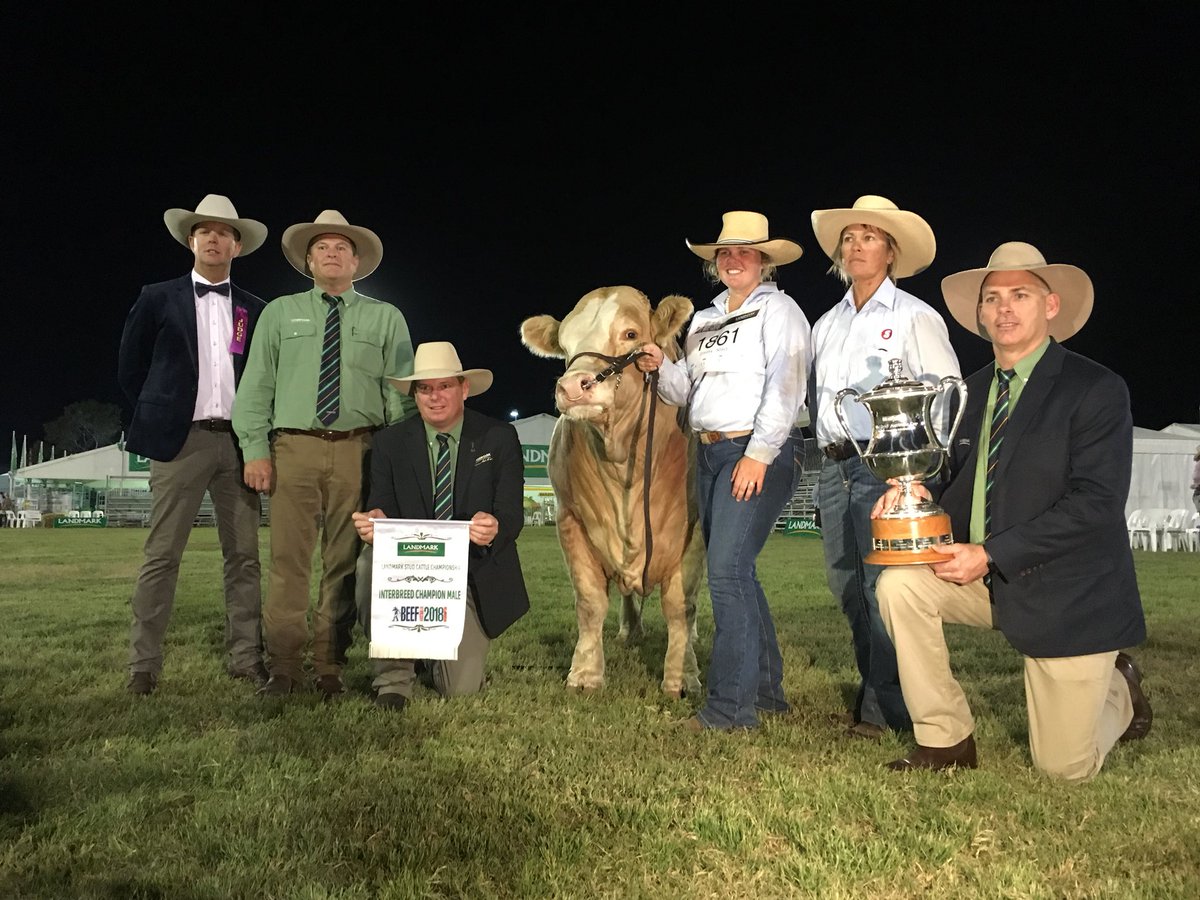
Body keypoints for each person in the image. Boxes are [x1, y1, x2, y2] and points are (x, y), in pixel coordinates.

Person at [872, 241, 1151, 780]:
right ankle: (945, 740)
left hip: (1068, 595)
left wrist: (990, 553)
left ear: (1050, 307)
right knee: (900, 586)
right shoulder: (971, 393)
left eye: (1020, 294)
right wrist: (920, 496)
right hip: (992, 581)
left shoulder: (1095, 389)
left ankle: (1121, 691)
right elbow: (963, 485)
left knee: (1063, 770)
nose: (1004, 308)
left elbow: (1096, 502)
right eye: (993, 297)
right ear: (980, 313)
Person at [636, 210, 811, 731]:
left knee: (728, 573)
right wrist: (658, 366)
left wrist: (759, 454)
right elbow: (687, 393)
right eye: (725, 253)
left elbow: (787, 383)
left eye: (744, 252)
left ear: (764, 261)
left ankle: (729, 709)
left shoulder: (780, 311)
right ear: (716, 264)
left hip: (756, 451)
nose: (733, 259)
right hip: (709, 450)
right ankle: (766, 691)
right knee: (739, 572)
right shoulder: (706, 319)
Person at [233, 210, 416, 698]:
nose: (332, 253)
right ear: (308, 260)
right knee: (288, 561)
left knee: (344, 562)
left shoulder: (386, 318)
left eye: (341, 247)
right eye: (322, 247)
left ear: (357, 261)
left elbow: (399, 395)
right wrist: (255, 448)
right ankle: (286, 665)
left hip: (361, 448)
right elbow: (256, 387)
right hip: (293, 448)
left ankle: (329, 664)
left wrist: (398, 462)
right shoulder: (278, 314)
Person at [807, 195, 961, 739]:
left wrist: (918, 471)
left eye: (869, 237)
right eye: (849, 238)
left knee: (884, 589)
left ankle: (884, 711)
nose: (855, 246)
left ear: (891, 252)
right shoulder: (825, 325)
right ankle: (883, 695)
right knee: (848, 585)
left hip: (887, 470)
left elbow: (945, 394)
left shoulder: (916, 316)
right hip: (833, 466)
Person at [117, 194, 269, 695]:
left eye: (223, 232)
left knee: (244, 556)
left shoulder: (253, 310)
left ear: (237, 245)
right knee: (162, 555)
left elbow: (259, 377)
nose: (213, 238)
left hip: (239, 446)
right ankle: (144, 665)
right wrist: (161, 415)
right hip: (179, 443)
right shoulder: (158, 297)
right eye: (204, 230)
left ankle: (246, 658)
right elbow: (131, 368)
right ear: (191, 240)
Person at [351, 342, 529, 709]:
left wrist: (494, 526)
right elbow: (380, 503)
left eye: (444, 386)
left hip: (470, 569)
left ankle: (431, 654)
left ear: (464, 388)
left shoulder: (499, 437)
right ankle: (394, 679)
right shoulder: (388, 443)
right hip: (410, 563)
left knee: (459, 689)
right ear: (414, 395)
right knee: (370, 563)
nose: (435, 397)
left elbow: (512, 513)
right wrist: (376, 520)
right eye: (424, 389)